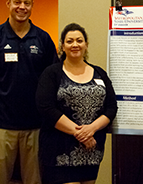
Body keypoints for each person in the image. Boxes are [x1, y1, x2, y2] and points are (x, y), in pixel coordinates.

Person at [0, 0, 58, 184]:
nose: (22, 7)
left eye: (27, 3)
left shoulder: (43, 39)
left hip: (35, 126)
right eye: (17, 2)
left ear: (32, 6)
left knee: (35, 180)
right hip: (0, 125)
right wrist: (0, 99)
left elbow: (52, 78)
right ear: (8, 4)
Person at [36, 23, 118, 184]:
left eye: (79, 40)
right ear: (62, 46)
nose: (75, 45)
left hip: (91, 150)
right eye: (70, 41)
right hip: (60, 149)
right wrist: (81, 134)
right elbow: (46, 108)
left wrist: (91, 129)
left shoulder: (99, 73)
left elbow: (111, 107)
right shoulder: (52, 73)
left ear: (86, 45)